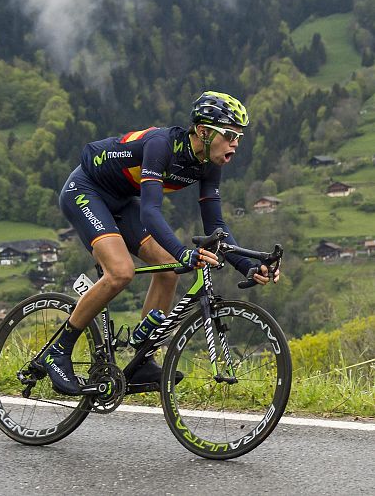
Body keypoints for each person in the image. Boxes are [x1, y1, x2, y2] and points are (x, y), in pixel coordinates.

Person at [40, 91, 280, 395]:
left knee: (168, 271)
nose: (235, 143)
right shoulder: (161, 146)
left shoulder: (209, 165)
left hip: (122, 199)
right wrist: (183, 253)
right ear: (204, 132)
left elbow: (216, 225)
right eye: (230, 135)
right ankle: (58, 350)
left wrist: (249, 265)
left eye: (239, 138)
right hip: (85, 190)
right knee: (121, 272)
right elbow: (151, 211)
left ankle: (141, 362)